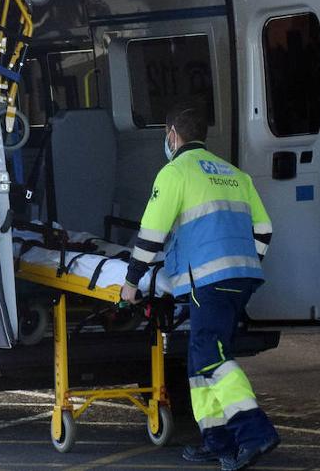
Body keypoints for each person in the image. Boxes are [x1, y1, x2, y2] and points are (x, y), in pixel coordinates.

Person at [120, 101, 279, 471]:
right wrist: (242, 262)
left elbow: (151, 235)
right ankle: (216, 439)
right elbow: (265, 230)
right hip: (241, 279)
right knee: (198, 361)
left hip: (208, 281)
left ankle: (254, 433)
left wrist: (131, 282)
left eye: (166, 135)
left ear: (173, 135)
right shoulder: (235, 175)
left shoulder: (175, 173)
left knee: (212, 356)